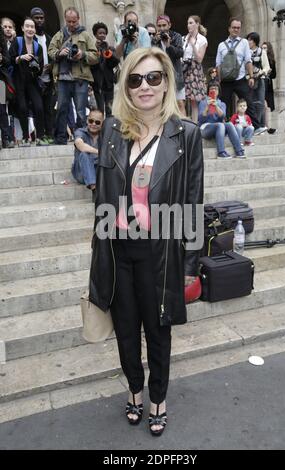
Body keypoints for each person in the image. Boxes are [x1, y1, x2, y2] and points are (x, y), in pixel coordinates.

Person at [88, 47, 203, 437]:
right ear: (126, 87)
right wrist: (98, 259)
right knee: (124, 330)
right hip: (119, 249)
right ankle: (135, 391)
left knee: (158, 331)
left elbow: (191, 202)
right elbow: (101, 197)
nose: (145, 87)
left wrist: (189, 266)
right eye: (136, 80)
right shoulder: (112, 133)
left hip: (161, 253)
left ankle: (158, 399)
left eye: (154, 77)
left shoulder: (186, 135)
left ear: (167, 82)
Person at [48, 7, 98, 145]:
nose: (71, 24)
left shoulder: (85, 35)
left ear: (78, 20)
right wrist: (60, 53)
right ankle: (61, 138)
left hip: (80, 78)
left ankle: (81, 138)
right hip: (63, 78)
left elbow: (95, 56)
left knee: (81, 111)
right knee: (61, 109)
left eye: (74, 21)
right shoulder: (59, 35)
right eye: (69, 21)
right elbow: (50, 51)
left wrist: (83, 54)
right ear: (65, 20)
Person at [216, 18, 260, 130]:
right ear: (229, 28)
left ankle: (256, 127)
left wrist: (251, 76)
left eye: (238, 28)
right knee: (223, 104)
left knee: (248, 103)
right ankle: (222, 127)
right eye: (234, 27)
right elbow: (218, 64)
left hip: (240, 79)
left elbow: (248, 60)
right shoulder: (221, 45)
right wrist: (218, 80)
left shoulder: (244, 42)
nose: (236, 30)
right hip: (225, 81)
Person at [9, 18, 47, 147]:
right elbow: (9, 60)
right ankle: (25, 137)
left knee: (39, 107)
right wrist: (20, 58)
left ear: (35, 30)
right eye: (28, 26)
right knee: (23, 107)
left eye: (32, 27)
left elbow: (40, 68)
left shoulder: (38, 47)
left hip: (32, 80)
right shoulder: (17, 42)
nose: (30, 29)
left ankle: (40, 137)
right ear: (22, 28)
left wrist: (36, 65)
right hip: (18, 80)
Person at [198, 82, 245, 159]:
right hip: (205, 128)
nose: (214, 90)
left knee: (229, 124)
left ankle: (239, 150)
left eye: (216, 89)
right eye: (211, 89)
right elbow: (200, 119)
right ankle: (221, 152)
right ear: (208, 91)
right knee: (220, 125)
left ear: (219, 91)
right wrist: (207, 107)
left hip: (219, 128)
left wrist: (216, 106)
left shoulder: (222, 104)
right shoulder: (203, 102)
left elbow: (222, 116)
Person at [31, 7, 55, 144]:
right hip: (35, 79)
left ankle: (49, 134)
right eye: (36, 18)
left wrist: (51, 66)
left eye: (41, 18)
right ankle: (40, 135)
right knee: (38, 108)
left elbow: (53, 56)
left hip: (49, 78)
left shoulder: (50, 38)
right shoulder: (30, 38)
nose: (39, 20)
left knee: (48, 108)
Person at [155, 15, 185, 115]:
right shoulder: (155, 39)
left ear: (169, 25)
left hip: (175, 74)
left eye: (164, 25)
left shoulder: (176, 36)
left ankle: (185, 127)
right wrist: (155, 42)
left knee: (180, 103)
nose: (162, 28)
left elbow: (180, 53)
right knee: (162, 104)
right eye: (159, 26)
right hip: (160, 76)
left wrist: (168, 45)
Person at [72, 109, 103, 196]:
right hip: (81, 173)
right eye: (91, 121)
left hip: (99, 172)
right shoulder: (80, 132)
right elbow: (80, 145)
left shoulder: (105, 135)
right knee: (84, 154)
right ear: (87, 120)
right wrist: (100, 152)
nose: (93, 124)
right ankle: (94, 190)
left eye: (97, 122)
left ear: (102, 124)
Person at [182, 15, 208, 122]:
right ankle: (183, 122)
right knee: (181, 98)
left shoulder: (202, 39)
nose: (189, 25)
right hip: (183, 67)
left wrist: (193, 45)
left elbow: (200, 59)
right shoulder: (183, 38)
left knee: (193, 100)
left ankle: (194, 125)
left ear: (197, 24)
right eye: (188, 23)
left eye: (191, 23)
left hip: (194, 69)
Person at [91, 22, 119, 117]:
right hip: (97, 83)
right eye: (100, 33)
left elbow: (115, 62)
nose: (102, 35)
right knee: (100, 109)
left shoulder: (110, 48)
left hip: (109, 84)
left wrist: (107, 52)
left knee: (109, 109)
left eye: (104, 33)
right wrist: (97, 50)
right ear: (95, 34)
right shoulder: (92, 48)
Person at [246, 32, 270, 135]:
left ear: (255, 41)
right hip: (248, 80)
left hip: (260, 80)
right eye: (248, 39)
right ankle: (251, 126)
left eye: (250, 40)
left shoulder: (261, 52)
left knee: (260, 103)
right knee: (249, 103)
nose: (248, 42)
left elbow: (266, 66)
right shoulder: (245, 52)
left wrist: (261, 73)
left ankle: (259, 125)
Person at [0, 24, 14, 148]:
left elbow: (8, 60)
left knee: (2, 108)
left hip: (0, 79)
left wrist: (1, 58)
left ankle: (5, 139)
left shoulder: (1, 38)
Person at [262, 41, 277, 134]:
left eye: (265, 48)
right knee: (262, 104)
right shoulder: (259, 58)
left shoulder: (272, 61)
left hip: (268, 84)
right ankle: (264, 126)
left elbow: (274, 75)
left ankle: (267, 126)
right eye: (262, 48)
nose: (263, 50)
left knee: (267, 106)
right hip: (260, 83)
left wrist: (269, 72)